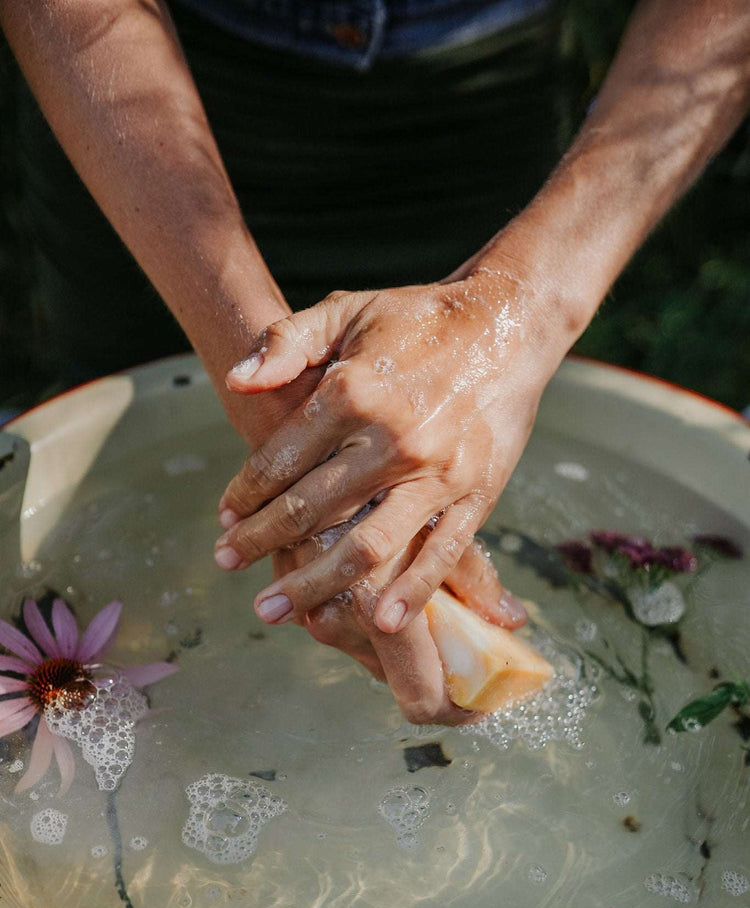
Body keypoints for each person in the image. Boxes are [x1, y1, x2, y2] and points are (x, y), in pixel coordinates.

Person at [2, 0, 749, 724]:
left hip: (476, 91)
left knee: (438, 492)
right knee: (131, 582)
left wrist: (519, 306)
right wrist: (280, 400)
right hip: (136, 104)